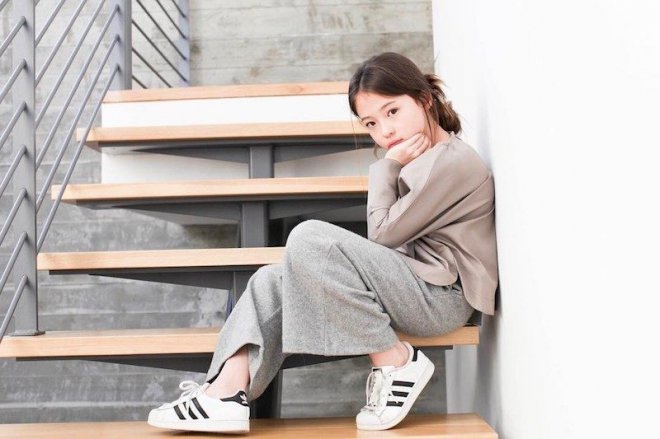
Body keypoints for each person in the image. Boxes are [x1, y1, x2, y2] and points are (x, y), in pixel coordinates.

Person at [147, 52, 498, 433]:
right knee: (271, 280)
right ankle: (225, 393)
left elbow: (383, 234)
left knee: (310, 238)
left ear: (425, 99)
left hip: (441, 297)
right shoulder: (421, 159)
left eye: (392, 111)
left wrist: (387, 166)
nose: (385, 131)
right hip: (411, 284)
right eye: (371, 123)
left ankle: (396, 362)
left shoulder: (451, 163)